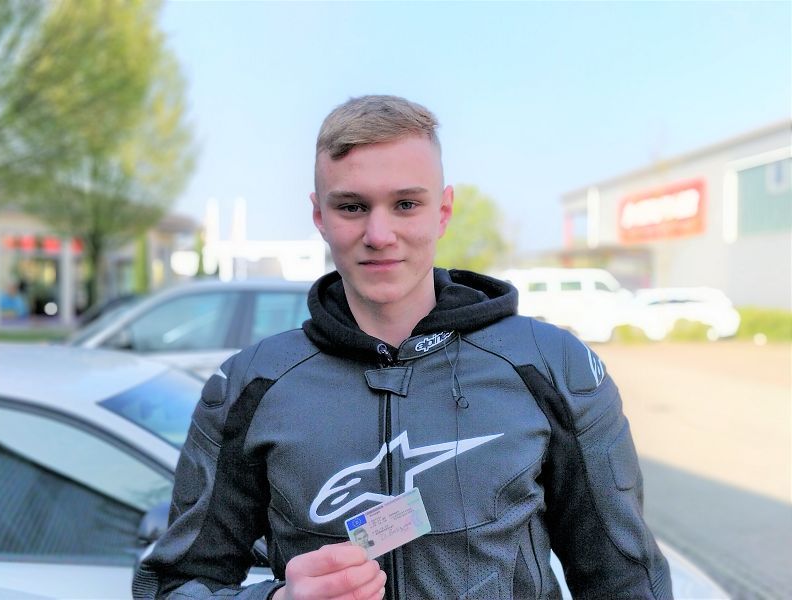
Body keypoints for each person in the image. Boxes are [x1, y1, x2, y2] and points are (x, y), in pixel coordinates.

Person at [134, 95, 672, 599]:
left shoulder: (551, 366)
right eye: (352, 207)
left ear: (443, 210)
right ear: (319, 215)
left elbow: (626, 582)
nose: (379, 234)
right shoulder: (250, 384)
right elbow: (171, 584)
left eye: (406, 204)